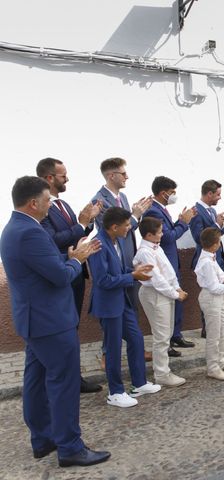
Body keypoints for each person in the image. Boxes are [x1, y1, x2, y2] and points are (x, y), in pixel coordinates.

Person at [0, 176, 110, 467]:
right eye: (48, 200)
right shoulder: (30, 232)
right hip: (51, 321)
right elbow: (60, 276)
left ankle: (43, 439)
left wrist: (67, 257)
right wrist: (78, 259)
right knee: (64, 382)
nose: (51, 205)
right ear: (34, 203)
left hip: (35, 320)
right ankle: (70, 447)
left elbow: (43, 264)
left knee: (35, 382)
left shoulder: (15, 228)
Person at [36, 157, 103, 394]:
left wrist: (88, 221)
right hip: (62, 273)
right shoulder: (41, 209)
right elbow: (53, 241)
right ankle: (69, 379)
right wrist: (81, 223)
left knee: (72, 326)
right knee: (65, 329)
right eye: (63, 175)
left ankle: (74, 376)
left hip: (74, 272)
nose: (68, 179)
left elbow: (74, 234)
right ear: (49, 178)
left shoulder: (62, 205)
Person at [87, 207, 161, 408]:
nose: (130, 228)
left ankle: (139, 383)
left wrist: (134, 270)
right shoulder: (97, 245)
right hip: (109, 305)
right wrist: (132, 277)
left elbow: (118, 270)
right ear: (114, 227)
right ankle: (115, 392)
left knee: (136, 339)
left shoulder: (116, 240)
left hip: (123, 301)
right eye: (127, 225)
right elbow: (103, 280)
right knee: (113, 349)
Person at [92, 157, 153, 367]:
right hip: (113, 263)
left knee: (130, 304)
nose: (127, 176)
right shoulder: (99, 201)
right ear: (111, 175)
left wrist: (135, 216)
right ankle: (107, 353)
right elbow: (116, 230)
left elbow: (127, 229)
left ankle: (135, 346)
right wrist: (136, 216)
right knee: (113, 310)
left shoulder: (123, 197)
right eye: (123, 173)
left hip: (127, 260)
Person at [142, 176, 196, 356]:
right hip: (164, 263)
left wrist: (179, 220)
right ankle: (168, 340)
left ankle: (175, 334)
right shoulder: (154, 211)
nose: (174, 196)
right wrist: (184, 223)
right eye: (173, 193)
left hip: (171, 261)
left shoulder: (161, 209)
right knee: (168, 303)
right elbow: (168, 236)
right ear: (164, 193)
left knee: (176, 301)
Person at [134, 217, 188, 388]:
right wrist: (174, 293)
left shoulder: (156, 247)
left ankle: (164, 370)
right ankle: (162, 373)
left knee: (167, 332)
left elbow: (168, 270)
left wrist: (176, 288)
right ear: (149, 235)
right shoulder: (145, 252)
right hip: (155, 294)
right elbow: (156, 278)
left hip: (165, 293)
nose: (163, 234)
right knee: (161, 336)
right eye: (160, 232)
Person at [195, 228, 224, 380]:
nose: (220, 244)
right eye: (219, 241)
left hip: (216, 297)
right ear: (214, 245)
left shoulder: (211, 258)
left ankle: (220, 359)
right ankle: (212, 367)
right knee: (213, 334)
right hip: (211, 297)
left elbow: (219, 277)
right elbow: (213, 287)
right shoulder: (206, 262)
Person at [189, 179, 224, 338]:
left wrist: (220, 225)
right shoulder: (196, 211)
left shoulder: (211, 211)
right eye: (218, 194)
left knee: (219, 295)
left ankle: (219, 324)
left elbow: (219, 233)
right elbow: (200, 238)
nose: (219, 197)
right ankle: (208, 328)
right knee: (210, 294)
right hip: (207, 260)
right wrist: (217, 226)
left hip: (218, 258)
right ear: (209, 193)